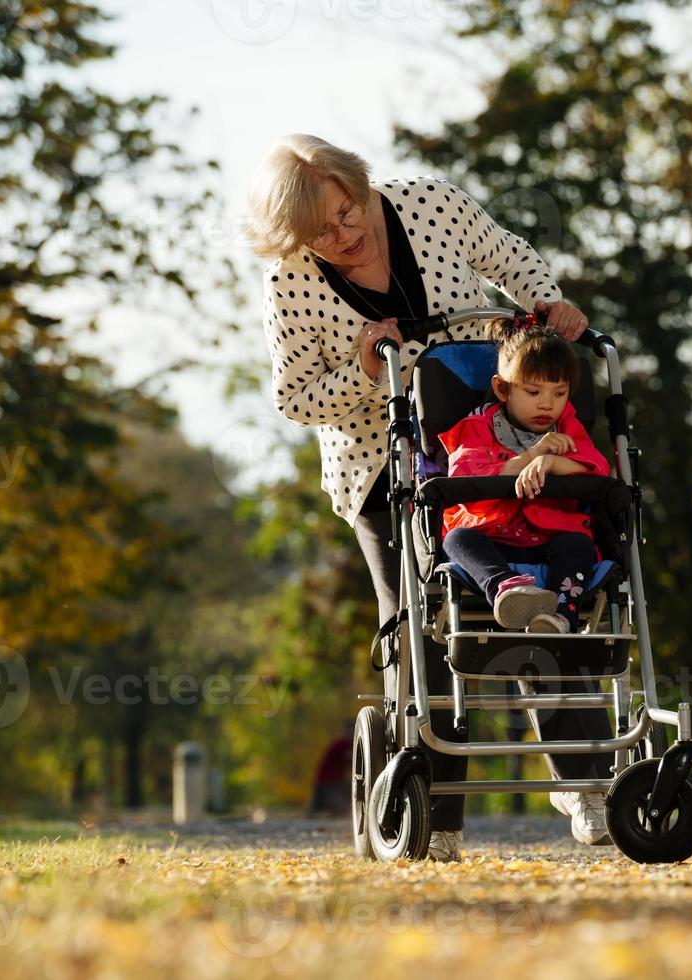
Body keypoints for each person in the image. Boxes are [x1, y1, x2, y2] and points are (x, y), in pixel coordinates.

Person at [246, 134, 595, 862]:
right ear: (293, 238)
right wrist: (371, 370)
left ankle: (581, 774)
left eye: (349, 212)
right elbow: (294, 396)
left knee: (532, 595)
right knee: (422, 622)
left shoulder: (429, 203)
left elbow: (507, 256)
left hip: (488, 444)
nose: (346, 234)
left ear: (359, 185)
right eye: (323, 232)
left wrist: (548, 304)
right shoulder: (291, 285)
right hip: (380, 465)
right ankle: (438, 821)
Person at [435, 321, 617, 843]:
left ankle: (558, 612)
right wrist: (527, 461)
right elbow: (466, 481)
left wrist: (558, 459)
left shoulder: (569, 428)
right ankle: (507, 591)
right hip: (493, 542)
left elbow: (596, 470)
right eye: (534, 392)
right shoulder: (474, 428)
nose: (547, 404)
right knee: (457, 541)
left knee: (581, 546)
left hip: (550, 548)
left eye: (559, 393)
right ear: (503, 389)